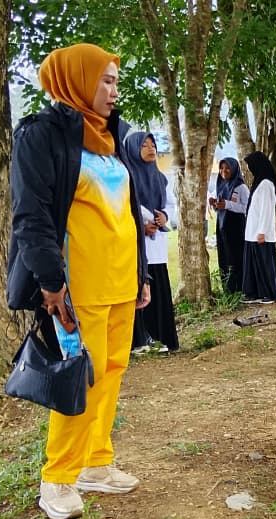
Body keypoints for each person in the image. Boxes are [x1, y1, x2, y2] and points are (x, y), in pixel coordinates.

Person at [7, 43, 150, 519]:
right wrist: (51, 281)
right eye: (105, 80)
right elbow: (32, 215)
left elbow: (129, 213)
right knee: (78, 378)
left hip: (120, 282)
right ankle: (58, 477)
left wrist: (141, 274)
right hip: (75, 286)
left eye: (116, 81)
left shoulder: (111, 136)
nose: (114, 91)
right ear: (77, 79)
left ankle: (95, 463)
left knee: (111, 372)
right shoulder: (43, 135)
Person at [123, 132, 179, 353]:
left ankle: (162, 337)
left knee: (159, 289)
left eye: (152, 144)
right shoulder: (126, 179)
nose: (150, 148)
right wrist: (140, 227)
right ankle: (138, 340)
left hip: (157, 246)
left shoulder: (161, 178)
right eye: (144, 145)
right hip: (136, 246)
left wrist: (164, 216)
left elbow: (171, 206)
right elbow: (123, 209)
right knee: (137, 290)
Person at [241, 151, 276, 305]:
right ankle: (256, 292)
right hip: (253, 231)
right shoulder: (259, 182)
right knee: (255, 264)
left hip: (260, 232)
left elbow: (266, 209)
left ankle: (269, 293)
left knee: (265, 264)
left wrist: (262, 231)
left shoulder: (265, 184)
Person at [211, 158, 249, 293]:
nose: (224, 171)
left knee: (236, 258)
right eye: (221, 168)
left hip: (236, 229)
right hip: (222, 228)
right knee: (224, 257)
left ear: (234, 169)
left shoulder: (241, 187)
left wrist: (228, 204)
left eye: (227, 168)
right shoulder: (221, 185)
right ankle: (228, 289)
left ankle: (240, 288)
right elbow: (220, 207)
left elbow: (247, 208)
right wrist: (215, 204)